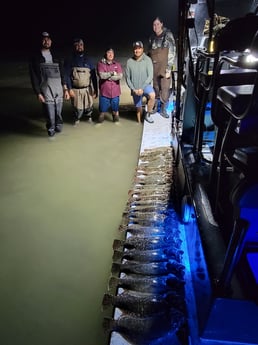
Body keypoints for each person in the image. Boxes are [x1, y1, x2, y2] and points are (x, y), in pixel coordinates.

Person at [29, 31, 69, 137]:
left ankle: (59, 133)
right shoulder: (35, 58)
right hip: (46, 91)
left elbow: (62, 73)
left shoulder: (57, 56)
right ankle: (51, 134)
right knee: (50, 116)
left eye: (48, 39)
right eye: (44, 39)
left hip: (59, 89)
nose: (46, 41)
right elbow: (34, 77)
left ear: (51, 41)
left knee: (59, 114)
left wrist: (65, 89)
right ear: (40, 41)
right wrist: (38, 93)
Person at [64, 38, 98, 125]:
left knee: (89, 107)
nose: (79, 47)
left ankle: (89, 119)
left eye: (81, 45)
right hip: (75, 89)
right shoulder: (69, 59)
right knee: (78, 110)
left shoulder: (89, 60)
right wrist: (69, 89)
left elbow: (94, 76)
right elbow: (66, 76)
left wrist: (96, 90)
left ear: (83, 46)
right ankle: (76, 121)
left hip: (87, 89)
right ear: (74, 46)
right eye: (77, 45)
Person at [148, 16, 176, 118]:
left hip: (165, 67)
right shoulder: (151, 38)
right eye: (154, 25)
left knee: (165, 88)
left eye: (158, 24)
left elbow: (172, 52)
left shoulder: (167, 35)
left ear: (162, 24)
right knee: (155, 88)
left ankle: (163, 109)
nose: (156, 26)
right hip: (154, 67)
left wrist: (169, 68)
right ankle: (156, 107)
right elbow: (149, 53)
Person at [125, 41, 156, 124]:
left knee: (152, 95)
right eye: (135, 49)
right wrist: (133, 89)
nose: (137, 50)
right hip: (135, 88)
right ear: (133, 50)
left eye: (139, 48)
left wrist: (142, 88)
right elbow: (128, 78)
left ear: (142, 49)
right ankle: (139, 123)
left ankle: (148, 114)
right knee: (138, 109)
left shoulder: (148, 60)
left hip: (145, 86)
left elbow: (150, 76)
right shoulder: (129, 62)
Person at [97, 48, 123, 123]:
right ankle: (99, 126)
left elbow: (120, 76)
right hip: (104, 93)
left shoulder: (117, 64)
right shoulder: (100, 64)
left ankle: (116, 123)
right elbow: (101, 76)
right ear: (106, 54)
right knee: (102, 113)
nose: (111, 54)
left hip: (115, 93)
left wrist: (108, 77)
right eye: (109, 53)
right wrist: (112, 73)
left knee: (115, 112)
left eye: (112, 53)